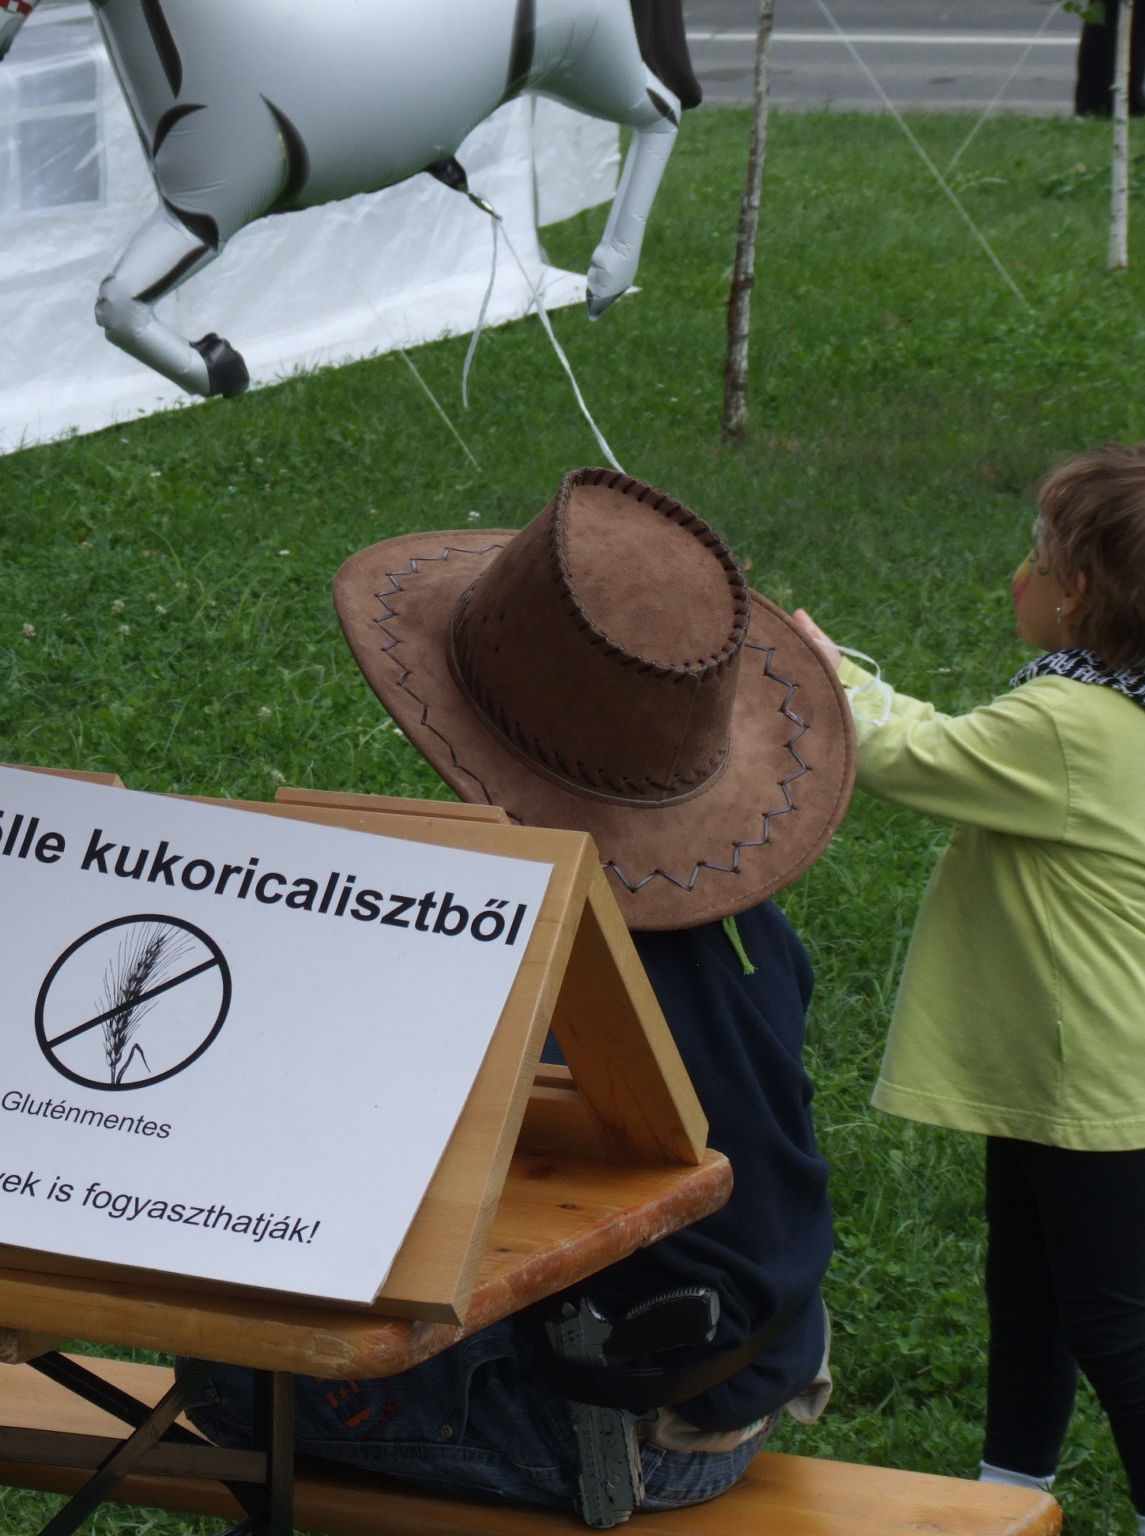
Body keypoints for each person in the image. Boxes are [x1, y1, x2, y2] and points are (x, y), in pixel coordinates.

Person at [184, 469, 854, 1527]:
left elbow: (443, 1200)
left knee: (227, 1375)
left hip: (619, 1415)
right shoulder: (746, 926)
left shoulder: (538, 956)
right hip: (752, 1359)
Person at [795, 445, 1145, 1526]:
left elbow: (908, 757)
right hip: (1062, 1074)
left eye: (1034, 553)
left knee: (1111, 1322)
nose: (1015, 574)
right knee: (1031, 1292)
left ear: (1077, 592)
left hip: (1087, 1082)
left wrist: (823, 674)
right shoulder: (1114, 709)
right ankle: (1007, 1494)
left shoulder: (1067, 726)